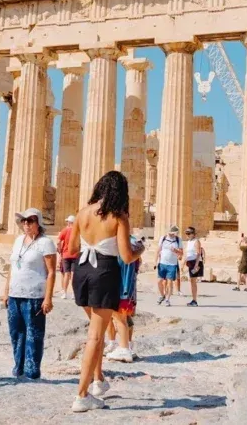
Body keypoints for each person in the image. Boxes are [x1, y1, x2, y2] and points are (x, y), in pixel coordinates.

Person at [67, 171, 139, 413]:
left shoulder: (82, 213)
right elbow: (127, 256)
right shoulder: (118, 217)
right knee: (95, 337)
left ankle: (98, 381)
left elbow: (72, 248)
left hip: (82, 272)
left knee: (95, 331)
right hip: (105, 274)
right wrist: (141, 249)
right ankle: (81, 395)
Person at [2, 208, 56, 380]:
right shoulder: (18, 240)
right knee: (16, 334)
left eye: (30, 220)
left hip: (35, 296)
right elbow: (12, 266)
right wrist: (6, 291)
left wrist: (48, 298)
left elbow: (52, 271)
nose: (26, 224)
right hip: (15, 294)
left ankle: (32, 372)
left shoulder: (46, 243)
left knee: (34, 335)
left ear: (38, 223)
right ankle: (19, 369)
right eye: (23, 220)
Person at [106, 236, 145, 364]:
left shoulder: (119, 242)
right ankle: (122, 344)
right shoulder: (133, 242)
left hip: (121, 286)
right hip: (128, 287)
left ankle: (124, 347)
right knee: (121, 318)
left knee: (118, 318)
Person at [154, 226, 182, 307]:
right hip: (162, 263)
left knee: (169, 282)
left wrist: (176, 251)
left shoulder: (178, 240)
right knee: (159, 281)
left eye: (173, 233)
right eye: (171, 233)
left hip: (172, 264)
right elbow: (158, 250)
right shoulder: (163, 238)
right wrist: (155, 262)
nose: (172, 235)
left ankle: (167, 299)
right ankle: (162, 295)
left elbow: (181, 253)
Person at [57, 216, 78, 300]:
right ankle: (73, 293)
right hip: (75, 254)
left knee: (66, 273)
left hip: (66, 254)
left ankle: (64, 292)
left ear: (69, 223)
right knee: (73, 274)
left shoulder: (65, 230)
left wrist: (59, 249)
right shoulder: (77, 231)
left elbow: (58, 241)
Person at [183, 227, 204, 307]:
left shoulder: (196, 241)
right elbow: (187, 254)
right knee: (192, 281)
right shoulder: (189, 242)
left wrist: (196, 264)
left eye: (189, 233)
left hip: (196, 262)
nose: (187, 235)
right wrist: (183, 263)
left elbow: (198, 253)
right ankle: (193, 300)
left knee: (193, 282)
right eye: (186, 233)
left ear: (193, 234)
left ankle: (194, 300)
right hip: (190, 262)